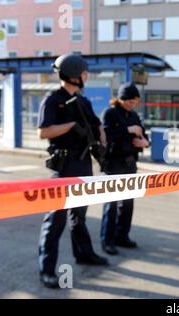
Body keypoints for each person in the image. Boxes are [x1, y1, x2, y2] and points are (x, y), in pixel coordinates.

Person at [37, 54, 109, 288]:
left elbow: (97, 125)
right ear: (73, 74)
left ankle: (84, 254)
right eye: (85, 73)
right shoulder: (53, 100)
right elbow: (44, 132)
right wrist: (69, 126)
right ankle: (47, 270)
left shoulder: (83, 101)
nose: (87, 77)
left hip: (83, 166)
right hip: (64, 167)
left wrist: (101, 139)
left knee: (78, 217)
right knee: (55, 220)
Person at [100, 83, 150, 255]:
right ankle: (107, 240)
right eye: (129, 100)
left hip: (130, 163)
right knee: (111, 203)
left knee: (128, 203)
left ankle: (122, 236)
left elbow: (144, 136)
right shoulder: (110, 113)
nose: (132, 104)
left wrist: (144, 142)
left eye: (135, 101)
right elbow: (105, 134)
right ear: (120, 99)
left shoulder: (134, 115)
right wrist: (128, 129)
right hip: (114, 163)